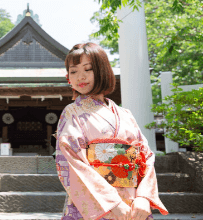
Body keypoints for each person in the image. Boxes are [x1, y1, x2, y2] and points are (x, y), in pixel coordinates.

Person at [55, 42, 168, 220]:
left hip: (133, 202)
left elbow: (145, 156)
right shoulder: (72, 113)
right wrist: (112, 204)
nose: (80, 77)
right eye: (73, 71)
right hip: (98, 204)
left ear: (102, 71)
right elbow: (72, 162)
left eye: (88, 69)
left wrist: (144, 197)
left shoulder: (126, 115)